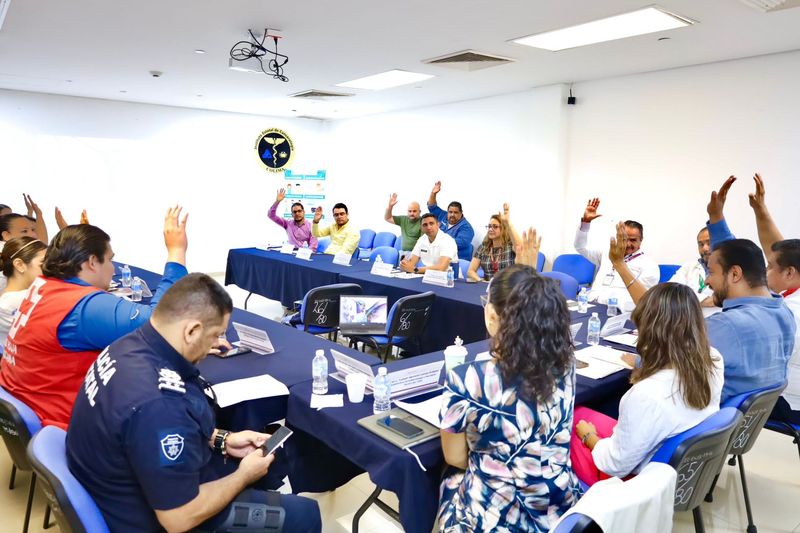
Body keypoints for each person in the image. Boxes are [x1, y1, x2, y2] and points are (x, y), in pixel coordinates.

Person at [67, 274, 321, 533]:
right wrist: (243, 475)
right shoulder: (158, 404)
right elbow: (178, 518)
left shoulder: (125, 347)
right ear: (191, 331)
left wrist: (221, 439)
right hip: (155, 516)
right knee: (305, 514)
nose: (217, 344)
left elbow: (143, 436)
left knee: (267, 467)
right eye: (215, 335)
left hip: (123, 487)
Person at [0, 206, 190, 428]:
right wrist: (176, 252)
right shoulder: (79, 305)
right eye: (109, 260)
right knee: (178, 398)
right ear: (91, 262)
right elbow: (160, 322)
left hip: (35, 406)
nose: (112, 269)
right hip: (67, 422)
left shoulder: (43, 286)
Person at [438, 264, 581, 531]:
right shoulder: (566, 364)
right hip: (560, 506)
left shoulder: (467, 378)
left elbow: (455, 457)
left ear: (492, 315)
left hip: (498, 516)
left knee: (449, 479)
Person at [572, 280, 724, 486]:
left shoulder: (645, 395)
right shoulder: (713, 359)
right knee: (585, 412)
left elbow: (614, 465)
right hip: (679, 468)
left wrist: (589, 436)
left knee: (570, 419)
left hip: (633, 482)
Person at [706, 174, 800, 421]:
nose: (763, 271)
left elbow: (667, 361)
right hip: (746, 419)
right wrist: (718, 219)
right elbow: (741, 259)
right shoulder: (782, 312)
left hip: (718, 419)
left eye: (768, 266)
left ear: (790, 272)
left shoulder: (727, 325)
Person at [574, 197, 659, 311]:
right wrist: (585, 222)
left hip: (618, 313)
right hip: (591, 306)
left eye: (633, 240)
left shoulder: (649, 266)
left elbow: (643, 300)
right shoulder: (607, 253)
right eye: (624, 238)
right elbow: (580, 247)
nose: (628, 244)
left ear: (641, 240)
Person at [0, 237, 48, 345]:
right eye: (43, 265)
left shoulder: (6, 298)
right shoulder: (21, 299)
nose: (49, 270)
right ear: (19, 265)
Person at [466, 203, 524, 281]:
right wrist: (481, 281)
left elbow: (519, 247)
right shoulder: (483, 247)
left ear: (503, 229)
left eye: (495, 227)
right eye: (489, 226)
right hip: (487, 288)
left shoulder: (510, 246)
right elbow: (471, 271)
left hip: (507, 288)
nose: (490, 229)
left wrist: (508, 223)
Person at [427, 181, 475, 260]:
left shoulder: (467, 228)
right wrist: (433, 194)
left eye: (455, 212)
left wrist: (435, 238)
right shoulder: (443, 216)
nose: (452, 215)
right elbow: (432, 207)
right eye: (450, 212)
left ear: (461, 213)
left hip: (457, 261)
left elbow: (455, 244)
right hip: (439, 258)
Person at [669, 227, 715, 307]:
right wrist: (705, 300)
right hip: (689, 318)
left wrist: (688, 299)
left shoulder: (732, 270)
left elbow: (726, 299)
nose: (705, 248)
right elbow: (670, 292)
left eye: (709, 243)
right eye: (701, 244)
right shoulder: (689, 267)